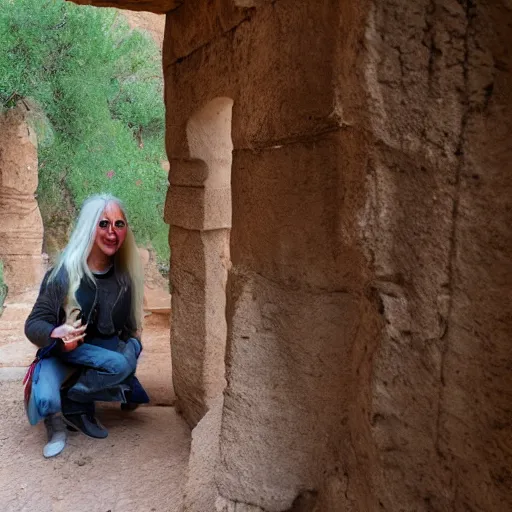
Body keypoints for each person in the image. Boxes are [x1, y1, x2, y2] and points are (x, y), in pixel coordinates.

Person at [24, 194, 148, 458]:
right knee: (45, 397)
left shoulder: (124, 279)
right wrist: (55, 333)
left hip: (100, 354)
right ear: (89, 227)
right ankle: (57, 424)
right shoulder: (62, 274)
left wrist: (131, 350)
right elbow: (34, 324)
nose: (112, 232)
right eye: (103, 224)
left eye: (119, 224)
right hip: (63, 353)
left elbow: (127, 329)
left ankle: (77, 400)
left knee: (123, 359)